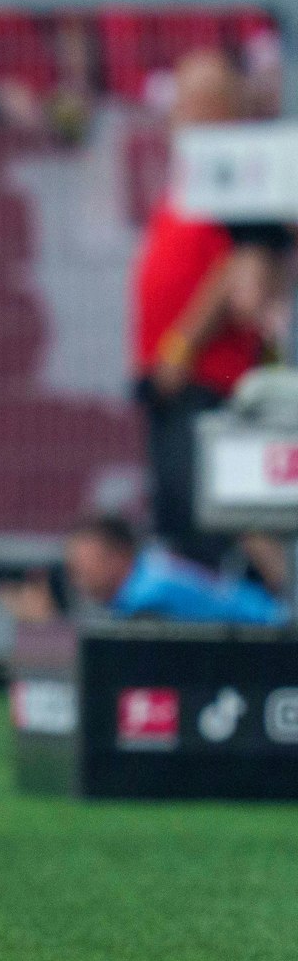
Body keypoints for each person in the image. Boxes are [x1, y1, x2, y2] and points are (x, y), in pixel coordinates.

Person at [129, 50, 277, 574]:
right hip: (178, 377)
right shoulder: (198, 170)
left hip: (206, 377)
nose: (176, 113)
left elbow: (244, 265)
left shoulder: (237, 170)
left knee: (216, 523)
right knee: (180, 520)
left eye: (190, 101)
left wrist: (179, 348)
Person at [1, 514, 287, 627]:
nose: (77, 580)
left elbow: (115, 657)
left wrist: (46, 626)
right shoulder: (151, 569)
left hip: (271, 637)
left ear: (117, 558)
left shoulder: (150, 592)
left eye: (84, 568)